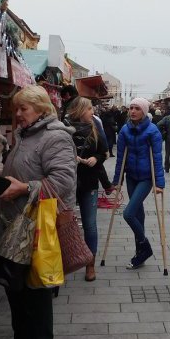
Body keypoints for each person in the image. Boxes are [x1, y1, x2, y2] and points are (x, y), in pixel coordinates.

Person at [0, 85, 76, 339]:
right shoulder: (26, 135)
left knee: (35, 290)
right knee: (15, 287)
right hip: (15, 223)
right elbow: (22, 171)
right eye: (16, 108)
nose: (18, 114)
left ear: (41, 109)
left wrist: (24, 188)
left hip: (36, 226)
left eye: (23, 108)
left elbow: (63, 181)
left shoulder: (55, 137)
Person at [112, 98, 166, 269]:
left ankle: (145, 246)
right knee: (137, 215)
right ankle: (140, 254)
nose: (133, 111)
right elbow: (120, 157)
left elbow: (157, 158)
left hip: (146, 178)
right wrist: (117, 180)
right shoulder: (124, 130)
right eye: (131, 108)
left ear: (144, 111)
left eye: (137, 108)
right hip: (131, 177)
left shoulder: (152, 131)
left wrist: (159, 183)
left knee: (128, 214)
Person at [67, 97, 108, 282]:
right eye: (89, 108)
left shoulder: (95, 127)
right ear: (80, 110)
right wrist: (69, 157)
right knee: (63, 225)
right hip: (67, 183)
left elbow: (103, 152)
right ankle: (62, 262)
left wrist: (96, 158)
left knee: (90, 225)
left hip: (89, 181)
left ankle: (90, 264)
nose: (93, 112)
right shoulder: (64, 128)